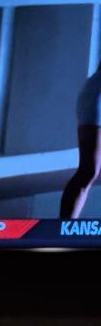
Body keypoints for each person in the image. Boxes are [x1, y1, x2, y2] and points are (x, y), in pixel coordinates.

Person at [59, 60, 101, 220]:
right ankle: (65, 226)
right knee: (89, 170)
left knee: (89, 170)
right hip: (97, 94)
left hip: (95, 91)